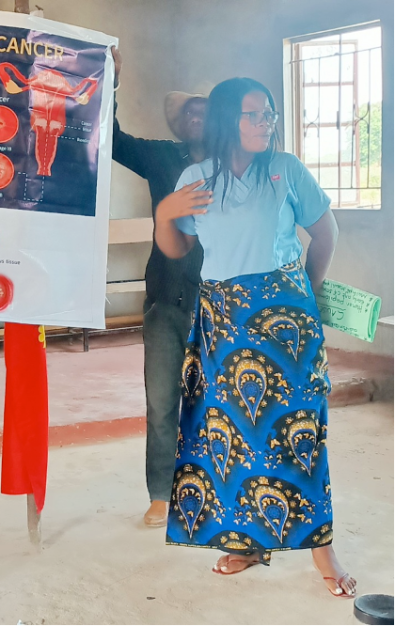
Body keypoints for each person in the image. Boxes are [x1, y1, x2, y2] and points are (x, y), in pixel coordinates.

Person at [156, 76, 357, 598]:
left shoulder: (285, 169)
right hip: (223, 317)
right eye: (254, 114)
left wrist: (301, 293)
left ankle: (323, 548)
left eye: (269, 114)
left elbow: (326, 231)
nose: (266, 122)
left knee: (300, 432)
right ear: (228, 120)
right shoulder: (197, 177)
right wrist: (164, 213)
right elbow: (177, 250)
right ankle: (247, 541)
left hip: (286, 319)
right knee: (231, 432)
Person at [109, 46, 207, 527]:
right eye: (188, 111)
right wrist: (111, 80)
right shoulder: (162, 157)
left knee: (218, 399)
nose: (195, 117)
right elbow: (111, 141)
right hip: (166, 299)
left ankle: (212, 486)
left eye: (204, 110)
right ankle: (160, 493)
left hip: (222, 303)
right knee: (161, 399)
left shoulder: (241, 168)